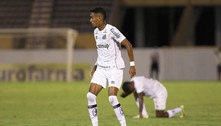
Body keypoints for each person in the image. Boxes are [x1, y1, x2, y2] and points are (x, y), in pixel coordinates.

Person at [87, 7, 136, 126]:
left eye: (92, 17)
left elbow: (128, 45)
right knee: (90, 96)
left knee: (112, 98)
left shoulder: (112, 30)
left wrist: (132, 65)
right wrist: (95, 67)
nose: (90, 20)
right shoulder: (95, 32)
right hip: (102, 68)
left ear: (99, 18)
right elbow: (101, 53)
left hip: (114, 68)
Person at [120, 76, 185, 119]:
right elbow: (133, 90)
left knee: (160, 116)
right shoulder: (133, 80)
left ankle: (179, 110)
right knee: (135, 93)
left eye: (129, 90)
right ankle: (144, 114)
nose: (130, 91)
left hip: (160, 92)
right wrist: (126, 94)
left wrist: (140, 115)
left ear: (129, 86)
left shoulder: (138, 84)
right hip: (156, 90)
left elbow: (141, 99)